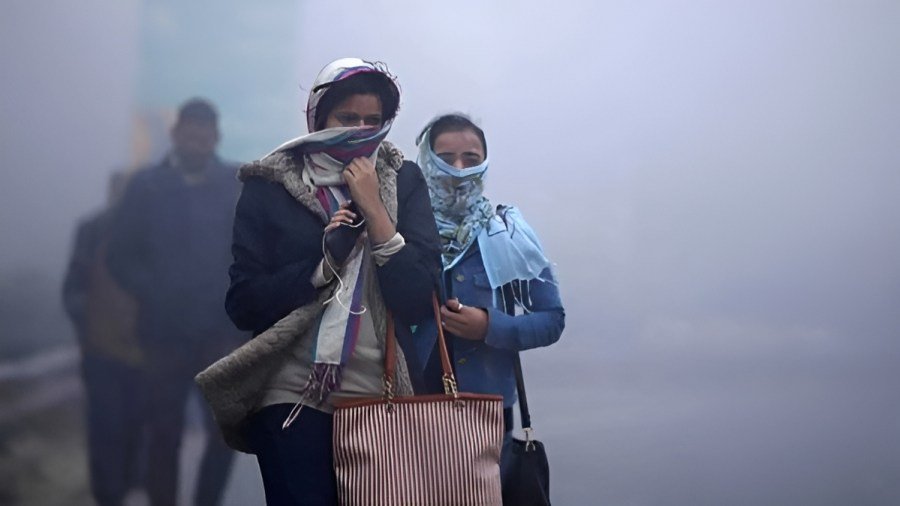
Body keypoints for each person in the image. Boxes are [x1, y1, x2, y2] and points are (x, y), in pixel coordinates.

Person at [221, 58, 441, 505]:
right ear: (318, 117)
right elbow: (243, 302)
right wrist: (323, 263)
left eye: (373, 121)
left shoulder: (403, 180)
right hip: (291, 394)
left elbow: (421, 298)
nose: (361, 131)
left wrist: (376, 214)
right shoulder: (270, 185)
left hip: (381, 394)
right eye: (347, 119)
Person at [106, 98, 243, 506]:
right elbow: (119, 255)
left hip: (220, 333)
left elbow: (252, 252)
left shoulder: (236, 185)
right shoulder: (147, 187)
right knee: (162, 432)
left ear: (215, 137)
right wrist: (154, 290)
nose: (197, 141)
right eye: (190, 133)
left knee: (224, 433)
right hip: (162, 332)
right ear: (176, 134)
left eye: (205, 135)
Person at [413, 113, 565, 463]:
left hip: (486, 414)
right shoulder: (399, 229)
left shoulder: (507, 233)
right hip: (406, 406)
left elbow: (552, 319)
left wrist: (490, 326)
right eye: (446, 158)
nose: (459, 168)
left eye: (471, 159)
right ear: (426, 160)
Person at [63, 171, 146, 506]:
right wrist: (88, 325)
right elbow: (74, 289)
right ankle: (109, 495)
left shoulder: (151, 235)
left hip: (144, 351)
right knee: (105, 426)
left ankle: (130, 486)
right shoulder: (92, 230)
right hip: (101, 351)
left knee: (136, 427)